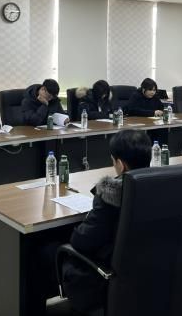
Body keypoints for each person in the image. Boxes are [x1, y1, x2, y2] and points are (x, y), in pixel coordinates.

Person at [60, 129, 152, 312]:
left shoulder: (111, 195)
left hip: (109, 275)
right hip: (151, 273)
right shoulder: (161, 184)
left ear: (120, 164)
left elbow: (82, 241)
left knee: (45, 251)